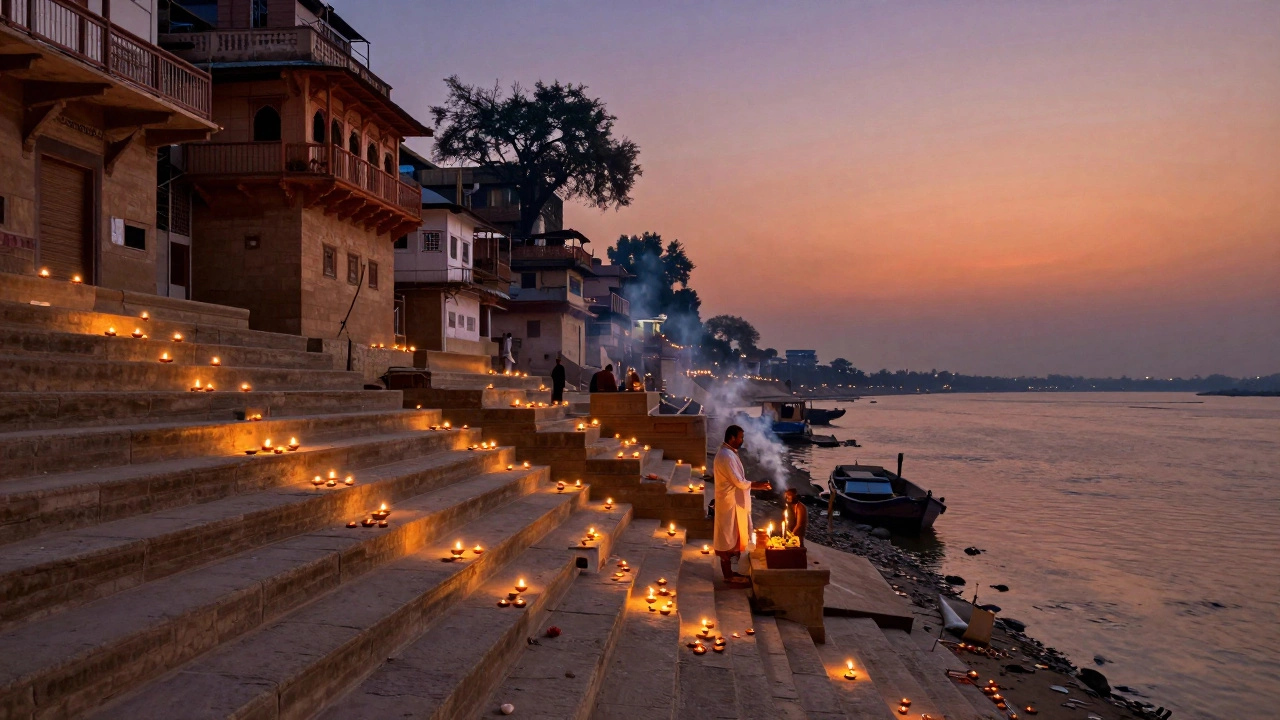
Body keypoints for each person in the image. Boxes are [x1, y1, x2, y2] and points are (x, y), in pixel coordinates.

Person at [713, 424, 771, 585]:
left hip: (733, 503)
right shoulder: (726, 456)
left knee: (733, 537)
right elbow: (738, 481)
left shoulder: (729, 453)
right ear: (732, 438)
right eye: (740, 437)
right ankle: (728, 576)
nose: (742, 441)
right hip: (729, 504)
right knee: (727, 539)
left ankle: (732, 573)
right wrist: (757, 485)